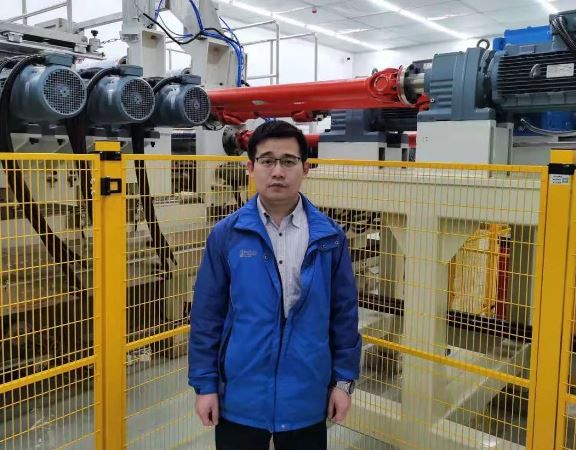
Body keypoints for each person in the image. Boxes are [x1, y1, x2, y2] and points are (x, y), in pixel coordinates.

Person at [188, 120, 362, 450]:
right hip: (241, 397)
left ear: (306, 169)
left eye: (288, 161)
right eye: (267, 161)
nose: (278, 172)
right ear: (251, 168)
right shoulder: (227, 236)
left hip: (306, 397)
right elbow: (207, 316)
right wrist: (205, 385)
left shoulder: (329, 238)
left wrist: (343, 383)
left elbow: (344, 316)